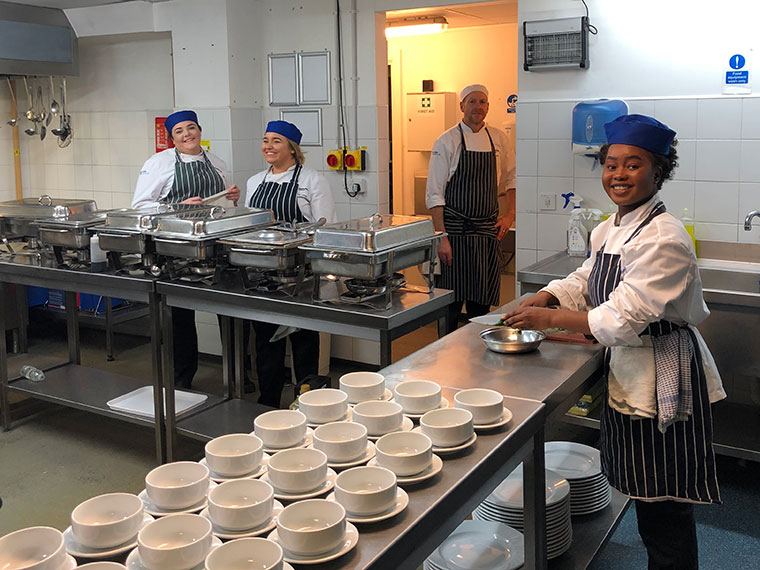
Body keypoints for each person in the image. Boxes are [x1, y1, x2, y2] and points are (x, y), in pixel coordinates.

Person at [503, 114, 725, 570]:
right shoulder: (613, 227)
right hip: (632, 371)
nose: (618, 174)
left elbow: (622, 319)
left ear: (658, 170)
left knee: (665, 510)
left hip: (664, 378)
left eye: (633, 164)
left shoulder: (664, 237)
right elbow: (589, 277)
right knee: (647, 500)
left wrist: (549, 318)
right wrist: (548, 294)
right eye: (611, 164)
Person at [132, 110, 240, 389]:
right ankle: (183, 376)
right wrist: (175, 208)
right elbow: (140, 206)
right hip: (175, 249)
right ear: (172, 139)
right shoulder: (159, 163)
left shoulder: (216, 162)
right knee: (180, 314)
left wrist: (233, 199)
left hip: (215, 245)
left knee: (228, 311)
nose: (187, 134)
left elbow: (224, 208)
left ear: (200, 131)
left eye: (191, 128)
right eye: (179, 131)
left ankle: (238, 374)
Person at [244, 120, 336, 407]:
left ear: (292, 149)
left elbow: (326, 227)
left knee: (304, 341)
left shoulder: (312, 180)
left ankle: (309, 406)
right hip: (264, 272)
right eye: (266, 140)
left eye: (276, 141)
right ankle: (268, 403)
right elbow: (250, 225)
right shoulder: (255, 182)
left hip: (302, 274)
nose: (268, 147)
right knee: (266, 341)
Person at [426, 84, 516, 332]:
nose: (478, 107)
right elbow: (434, 194)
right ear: (462, 106)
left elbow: (512, 179)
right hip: (453, 233)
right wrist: (441, 237)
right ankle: (445, 360)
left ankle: (478, 357)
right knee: (450, 305)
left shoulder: (498, 138)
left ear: (488, 106)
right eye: (473, 101)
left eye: (483, 102)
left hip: (487, 232)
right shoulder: (447, 141)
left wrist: (509, 215)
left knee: (481, 305)